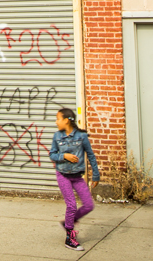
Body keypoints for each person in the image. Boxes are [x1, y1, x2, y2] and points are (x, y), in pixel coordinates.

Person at [49, 107, 99, 252]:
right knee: (71, 205)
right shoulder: (57, 136)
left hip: (77, 176)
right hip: (63, 175)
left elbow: (91, 155)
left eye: (58, 119)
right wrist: (64, 156)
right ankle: (69, 238)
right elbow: (52, 154)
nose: (56, 122)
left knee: (89, 205)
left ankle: (67, 222)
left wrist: (96, 175)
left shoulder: (82, 136)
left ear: (66, 120)